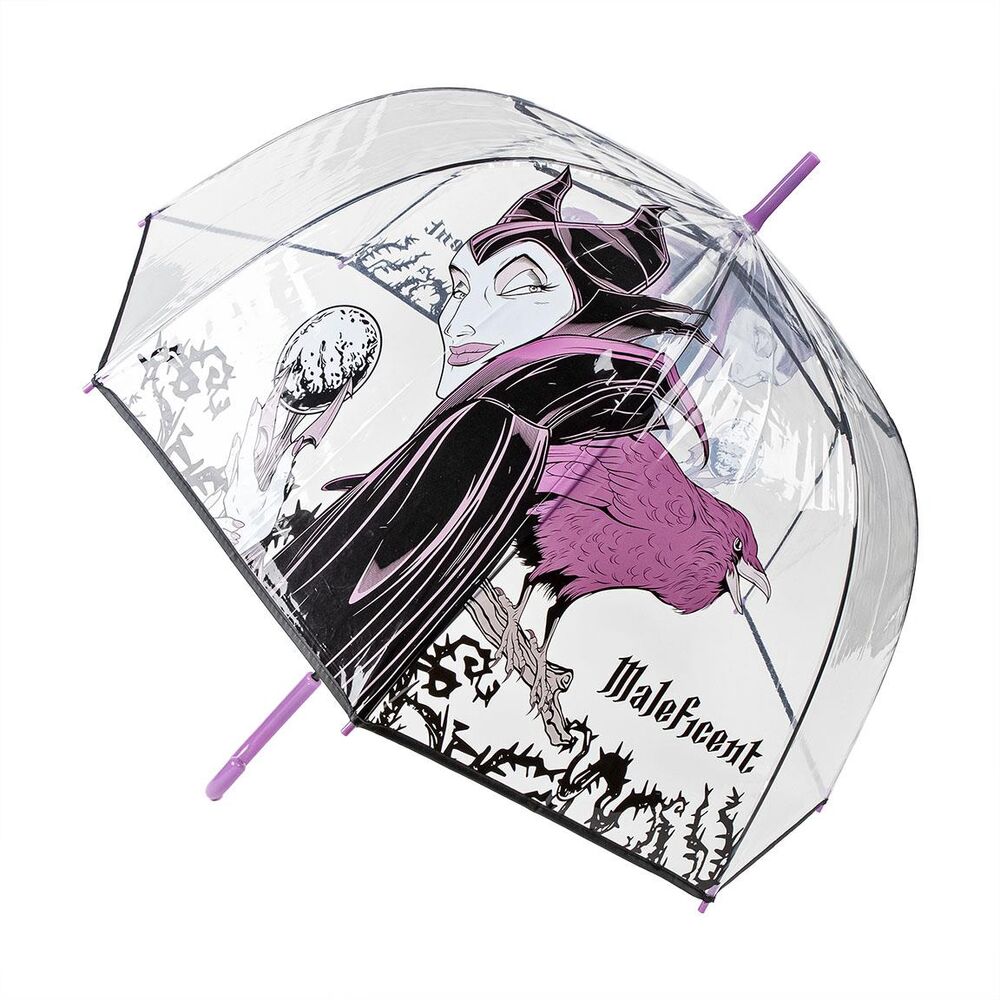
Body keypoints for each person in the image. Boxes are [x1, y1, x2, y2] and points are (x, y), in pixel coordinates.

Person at [267, 168, 711, 718]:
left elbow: (367, 585)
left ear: (589, 319)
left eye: (522, 288)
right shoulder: (507, 430)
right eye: (460, 288)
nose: (457, 320)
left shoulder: (492, 427)